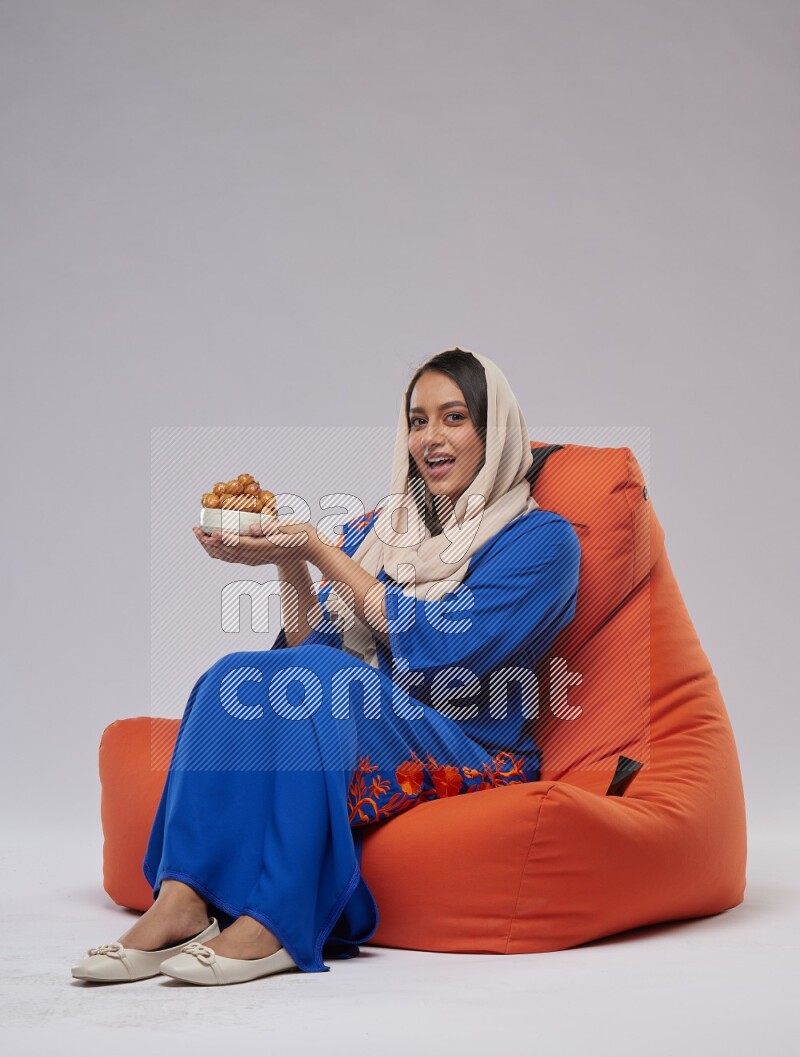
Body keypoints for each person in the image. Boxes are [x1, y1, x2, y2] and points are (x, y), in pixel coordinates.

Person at [71, 346, 581, 986]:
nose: (431, 438)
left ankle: (278, 921)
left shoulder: (544, 540)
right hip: (365, 708)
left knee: (321, 683)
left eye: (453, 418)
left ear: (494, 429)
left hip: (470, 737)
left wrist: (316, 547)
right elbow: (314, 646)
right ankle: (182, 901)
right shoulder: (383, 531)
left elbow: (447, 644)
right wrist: (287, 562)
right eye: (417, 421)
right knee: (231, 675)